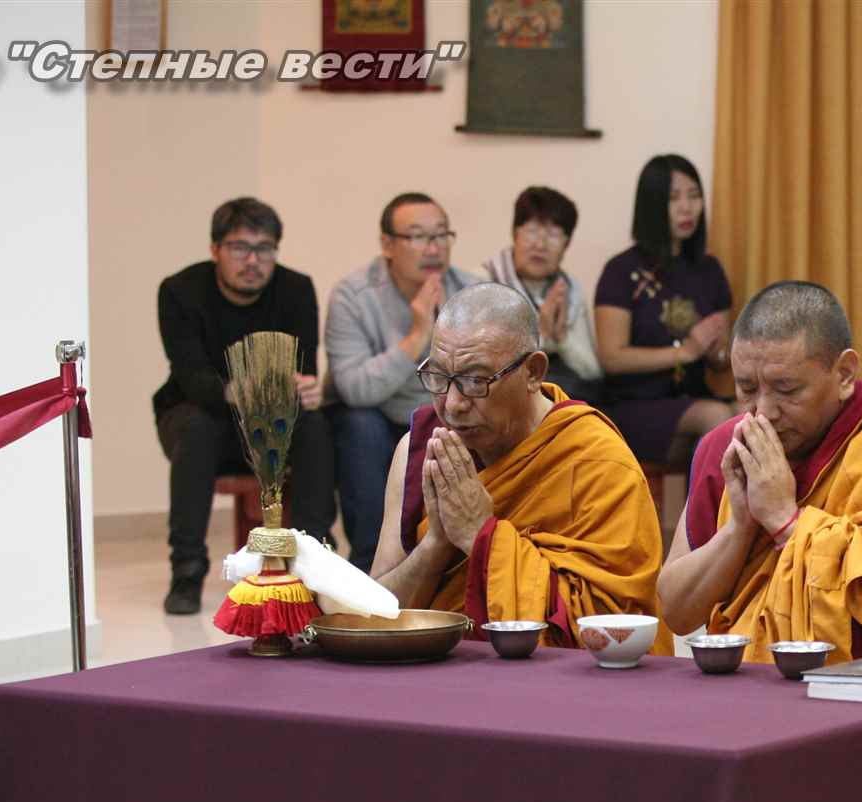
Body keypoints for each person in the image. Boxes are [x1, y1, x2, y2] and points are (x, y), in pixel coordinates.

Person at [658, 281, 862, 663]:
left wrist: (785, 521)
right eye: (746, 388)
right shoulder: (730, 447)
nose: (764, 411)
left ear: (844, 373)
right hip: (746, 686)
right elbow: (677, 612)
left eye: (786, 389)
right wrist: (740, 527)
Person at [368, 283, 662, 634]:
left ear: (533, 372)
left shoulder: (597, 462)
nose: (453, 404)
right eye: (439, 377)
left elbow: (610, 627)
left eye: (475, 380)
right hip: (432, 663)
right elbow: (375, 615)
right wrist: (436, 544)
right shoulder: (421, 451)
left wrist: (479, 533)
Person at [154, 196, 335, 615]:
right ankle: (187, 570)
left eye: (265, 248)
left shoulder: (295, 288)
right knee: (198, 427)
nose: (253, 260)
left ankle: (315, 558)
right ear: (215, 249)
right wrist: (254, 390)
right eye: (240, 248)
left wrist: (308, 390)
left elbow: (303, 368)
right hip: (200, 416)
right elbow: (193, 378)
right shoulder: (179, 291)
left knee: (316, 425)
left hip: (273, 419)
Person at [325, 192, 479, 571]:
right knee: (357, 424)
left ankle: (460, 559)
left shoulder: (473, 292)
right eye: (418, 237)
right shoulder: (353, 296)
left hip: (445, 411)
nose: (434, 248)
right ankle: (368, 563)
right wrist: (417, 335)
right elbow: (355, 389)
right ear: (387, 244)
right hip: (378, 415)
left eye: (441, 235)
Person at [594, 155, 735, 468]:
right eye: (673, 198)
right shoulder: (621, 270)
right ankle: (710, 503)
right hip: (633, 404)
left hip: (692, 397)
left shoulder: (710, 270)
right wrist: (686, 352)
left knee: (755, 417)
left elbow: (722, 361)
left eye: (694, 196)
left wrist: (717, 350)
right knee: (717, 417)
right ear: (651, 205)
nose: (687, 208)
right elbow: (611, 358)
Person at [480, 185, 604, 403]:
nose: (540, 244)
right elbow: (482, 366)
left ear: (567, 244)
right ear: (515, 233)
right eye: (532, 231)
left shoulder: (568, 290)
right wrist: (543, 336)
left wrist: (562, 339)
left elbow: (592, 371)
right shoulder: (482, 283)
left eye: (553, 235)